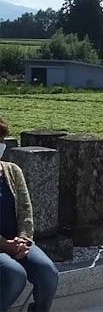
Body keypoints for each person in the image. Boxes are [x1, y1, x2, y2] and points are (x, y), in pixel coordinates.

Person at [0, 117, 58, 312]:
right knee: (14, 274)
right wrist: (3, 244)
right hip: (1, 245)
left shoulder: (12, 171)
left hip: (17, 241)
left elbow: (26, 210)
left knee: (48, 274)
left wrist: (24, 240)